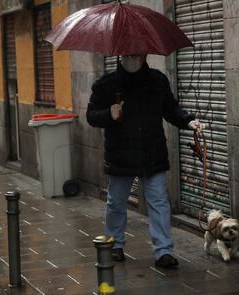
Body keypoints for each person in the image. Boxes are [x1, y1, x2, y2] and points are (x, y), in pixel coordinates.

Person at [86, 55, 203, 269]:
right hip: (121, 154)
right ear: (120, 54)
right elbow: (91, 115)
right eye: (128, 53)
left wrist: (188, 121)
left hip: (152, 152)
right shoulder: (106, 84)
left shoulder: (157, 80)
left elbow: (170, 109)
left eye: (137, 53)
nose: (133, 57)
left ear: (145, 54)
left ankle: (164, 251)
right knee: (116, 202)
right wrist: (109, 114)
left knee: (159, 201)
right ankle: (114, 245)